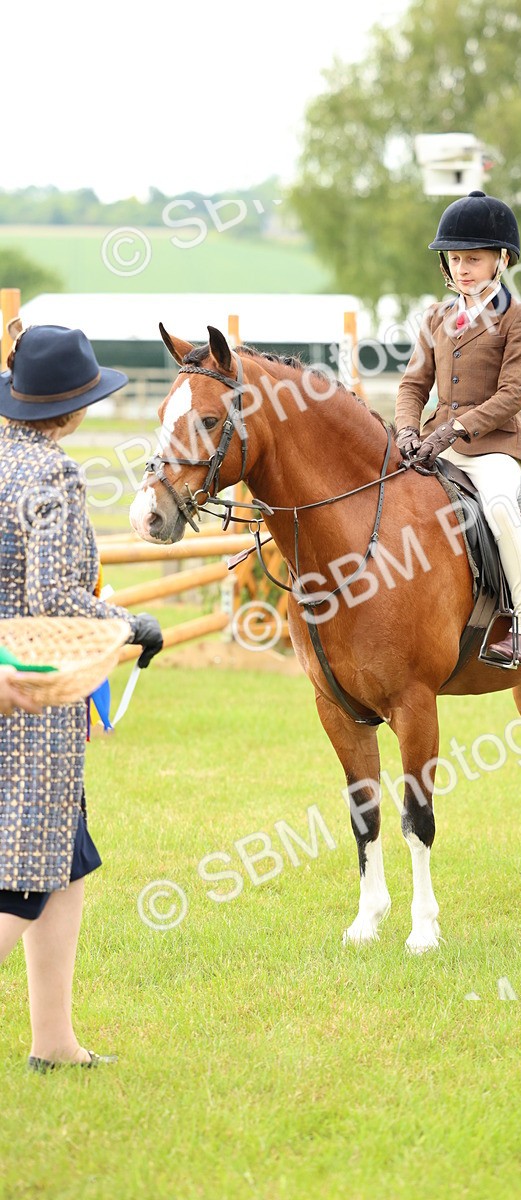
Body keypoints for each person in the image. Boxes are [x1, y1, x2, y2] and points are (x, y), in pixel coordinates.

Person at [0, 324, 164, 1072]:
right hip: (31, 695)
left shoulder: (3, 458)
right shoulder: (53, 476)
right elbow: (55, 597)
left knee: (65, 865)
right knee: (23, 879)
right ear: (72, 409)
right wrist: (131, 623)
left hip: (20, 681)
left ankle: (54, 1042)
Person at [395, 190, 521, 665]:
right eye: (455, 259)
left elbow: (511, 396)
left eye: (473, 260)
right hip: (437, 443)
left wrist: (455, 429)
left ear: (500, 261)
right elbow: (413, 385)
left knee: (499, 508)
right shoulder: (435, 318)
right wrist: (405, 431)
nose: (462, 268)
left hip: (493, 446)